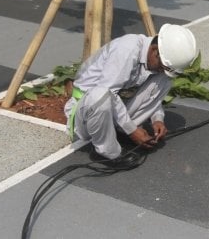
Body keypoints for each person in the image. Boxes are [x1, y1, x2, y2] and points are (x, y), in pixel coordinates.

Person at [64, 24, 198, 167]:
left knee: (164, 79)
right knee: (101, 94)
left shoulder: (151, 61)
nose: (161, 70)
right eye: (162, 67)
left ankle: (120, 132)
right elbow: (107, 92)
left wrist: (157, 119)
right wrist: (133, 131)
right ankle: (107, 152)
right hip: (85, 112)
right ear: (154, 51)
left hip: (111, 107)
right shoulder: (127, 49)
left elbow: (151, 94)